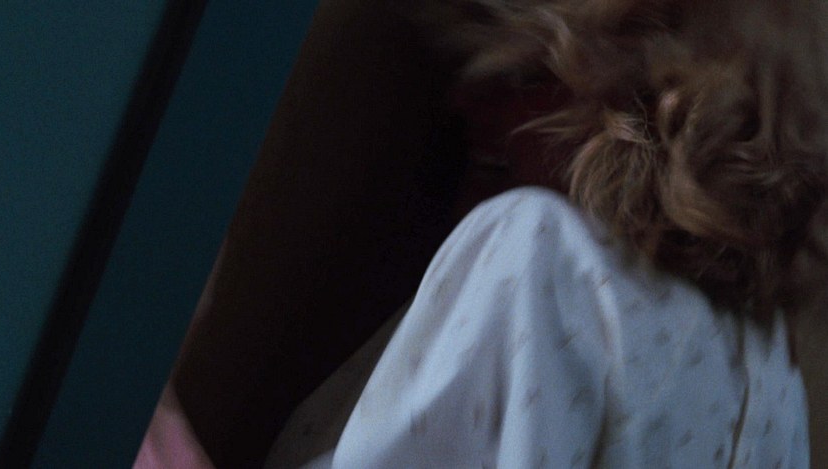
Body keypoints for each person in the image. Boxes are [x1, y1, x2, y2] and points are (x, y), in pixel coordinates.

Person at [139, 0, 828, 467]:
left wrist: (153, 417)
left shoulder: (543, 253)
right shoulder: (771, 376)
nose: (466, 100)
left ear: (642, 104)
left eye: (525, 73)